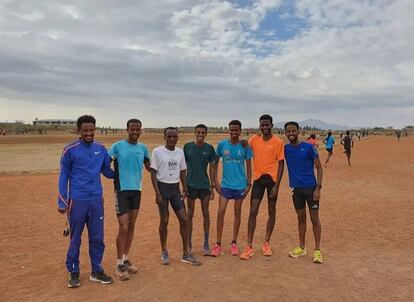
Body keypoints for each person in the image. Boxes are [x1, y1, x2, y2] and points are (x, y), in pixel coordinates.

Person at [57, 115, 115, 288]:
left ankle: (96, 270)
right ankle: (74, 271)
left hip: (96, 200)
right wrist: (62, 201)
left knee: (97, 237)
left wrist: (121, 171)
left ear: (95, 129)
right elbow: (63, 176)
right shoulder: (70, 150)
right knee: (75, 238)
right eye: (85, 130)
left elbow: (106, 171)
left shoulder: (101, 148)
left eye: (91, 130)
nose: (89, 133)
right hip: (77, 201)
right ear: (78, 131)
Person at [150, 127, 201, 266]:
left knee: (184, 220)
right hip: (162, 188)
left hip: (175, 189)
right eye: (169, 136)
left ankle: (186, 254)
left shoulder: (179, 152)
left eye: (174, 137)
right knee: (164, 220)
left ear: (177, 137)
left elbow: (183, 171)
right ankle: (164, 251)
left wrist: (184, 187)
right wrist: (157, 193)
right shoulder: (157, 152)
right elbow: (153, 173)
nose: (172, 139)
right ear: (164, 137)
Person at [108, 119, 151, 281]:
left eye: (137, 129)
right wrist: (113, 176)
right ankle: (118, 263)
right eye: (132, 129)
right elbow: (105, 164)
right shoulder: (117, 146)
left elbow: (149, 166)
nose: (134, 132)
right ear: (127, 129)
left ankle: (125, 258)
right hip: (121, 191)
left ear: (141, 130)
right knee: (123, 227)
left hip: (136, 191)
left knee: (132, 225)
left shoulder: (143, 148)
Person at [240, 114, 284, 260]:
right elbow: (245, 145)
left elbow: (281, 164)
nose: (264, 127)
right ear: (260, 126)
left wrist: (277, 186)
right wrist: (244, 142)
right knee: (253, 210)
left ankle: (266, 243)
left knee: (272, 210)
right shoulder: (255, 139)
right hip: (258, 180)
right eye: (262, 125)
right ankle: (249, 246)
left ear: (272, 125)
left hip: (272, 180)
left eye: (267, 125)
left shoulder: (278, 142)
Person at [284, 121, 324, 264]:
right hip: (296, 189)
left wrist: (318, 187)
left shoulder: (308, 148)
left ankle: (317, 250)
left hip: (311, 189)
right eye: (288, 131)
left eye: (293, 131)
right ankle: (302, 247)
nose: (291, 133)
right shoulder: (285, 149)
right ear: (285, 133)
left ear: (298, 131)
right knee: (301, 218)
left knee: (314, 219)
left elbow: (319, 167)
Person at [211, 120, 252, 257]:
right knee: (220, 212)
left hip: (240, 185)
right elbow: (215, 163)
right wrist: (215, 181)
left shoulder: (244, 146)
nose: (234, 132)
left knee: (237, 212)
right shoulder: (222, 145)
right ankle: (218, 244)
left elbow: (249, 165)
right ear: (229, 130)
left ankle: (233, 243)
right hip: (226, 185)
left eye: (236, 130)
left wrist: (248, 184)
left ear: (240, 131)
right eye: (231, 130)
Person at [183, 124, 217, 256]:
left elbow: (212, 167)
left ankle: (206, 243)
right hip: (191, 185)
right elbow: (183, 167)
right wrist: (184, 186)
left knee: (205, 213)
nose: (200, 135)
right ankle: (189, 243)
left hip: (204, 186)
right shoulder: (187, 147)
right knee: (189, 214)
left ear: (206, 134)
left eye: (203, 133)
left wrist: (212, 186)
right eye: (198, 132)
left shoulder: (209, 149)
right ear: (195, 133)